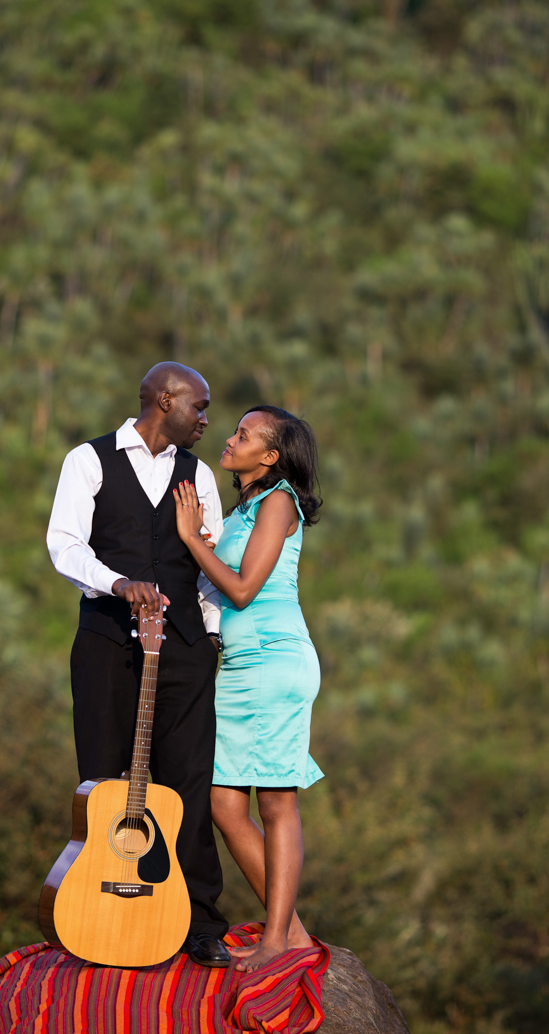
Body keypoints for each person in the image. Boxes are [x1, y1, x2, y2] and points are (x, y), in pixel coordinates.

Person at [46, 362, 231, 968]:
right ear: (165, 399)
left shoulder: (198, 473)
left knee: (188, 783)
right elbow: (65, 545)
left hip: (182, 648)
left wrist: (208, 639)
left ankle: (199, 921)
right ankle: (104, 911)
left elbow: (208, 562)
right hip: (106, 641)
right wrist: (119, 582)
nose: (206, 420)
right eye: (198, 407)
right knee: (103, 779)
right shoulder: (89, 459)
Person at [174, 405, 323, 971]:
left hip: (270, 662)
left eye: (243, 434)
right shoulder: (245, 511)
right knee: (223, 804)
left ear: (271, 457)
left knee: (276, 801)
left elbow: (240, 590)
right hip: (239, 668)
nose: (229, 439)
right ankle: (293, 932)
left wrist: (191, 539)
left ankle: (279, 940)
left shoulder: (278, 499)